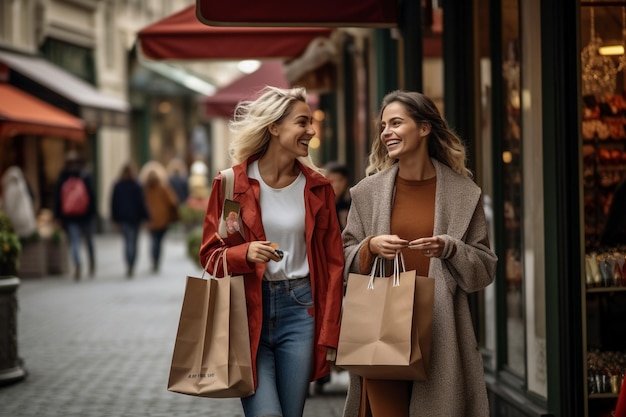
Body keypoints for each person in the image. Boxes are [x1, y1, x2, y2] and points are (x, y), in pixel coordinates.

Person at [341, 90, 497, 417]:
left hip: (440, 332)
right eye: (383, 126)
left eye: (396, 123)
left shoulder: (464, 193)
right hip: (382, 326)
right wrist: (370, 247)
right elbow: (342, 259)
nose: (386, 132)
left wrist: (450, 248)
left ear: (424, 128)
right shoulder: (366, 193)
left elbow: (484, 270)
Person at [198, 86, 344, 417]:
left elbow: (334, 265)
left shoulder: (318, 188)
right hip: (247, 310)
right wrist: (244, 253)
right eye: (302, 122)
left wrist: (331, 330)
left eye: (310, 123)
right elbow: (210, 255)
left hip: (300, 312)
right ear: (274, 127)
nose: (311, 130)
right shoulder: (231, 185)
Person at [53, 149, 97, 281]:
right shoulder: (84, 175)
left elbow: (57, 199)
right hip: (86, 216)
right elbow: (92, 195)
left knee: (75, 242)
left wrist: (58, 216)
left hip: (70, 217)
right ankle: (91, 263)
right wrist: (93, 213)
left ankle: (77, 264)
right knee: (88, 241)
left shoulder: (63, 176)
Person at [111, 162, 149, 278]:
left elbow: (113, 204)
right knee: (133, 242)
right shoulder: (136, 185)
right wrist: (145, 217)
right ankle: (131, 264)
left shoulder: (118, 185)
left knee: (128, 242)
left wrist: (115, 218)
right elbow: (142, 203)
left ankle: (129, 264)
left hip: (125, 219)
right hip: (134, 219)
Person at [141, 162, 179, 273]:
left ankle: (154, 260)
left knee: (153, 241)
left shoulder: (145, 189)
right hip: (163, 219)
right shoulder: (163, 188)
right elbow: (173, 201)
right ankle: (156, 261)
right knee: (158, 241)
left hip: (151, 219)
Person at [0, 166, 37, 239]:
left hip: (16, 222)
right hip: (26, 222)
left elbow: (8, 206)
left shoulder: (10, 189)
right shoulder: (21, 186)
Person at [325, 161, 352, 231]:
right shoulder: (322, 204)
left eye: (340, 180)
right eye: (332, 180)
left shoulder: (352, 203)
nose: (337, 185)